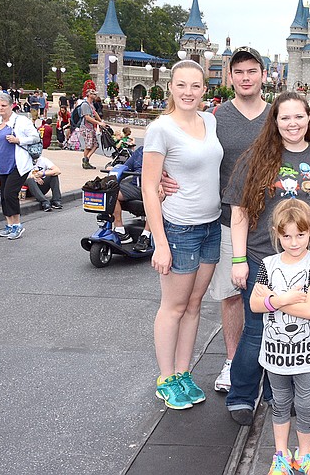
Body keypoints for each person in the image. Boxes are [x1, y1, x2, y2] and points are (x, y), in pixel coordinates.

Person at [162, 47, 271, 396]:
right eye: (238, 72)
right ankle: (233, 360)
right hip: (226, 220)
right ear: (229, 77)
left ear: (263, 75)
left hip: (272, 223)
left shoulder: (276, 115)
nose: (245, 78)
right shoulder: (215, 117)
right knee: (232, 295)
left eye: (251, 71)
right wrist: (165, 175)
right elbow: (181, 148)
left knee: (276, 295)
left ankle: (274, 362)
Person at [223, 91, 310, 426]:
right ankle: (242, 394)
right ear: (275, 121)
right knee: (258, 330)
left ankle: (277, 394)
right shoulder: (257, 156)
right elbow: (239, 210)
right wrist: (239, 259)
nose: (292, 123)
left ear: (309, 119)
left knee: (297, 329)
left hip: (306, 264)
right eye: (284, 117)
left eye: (299, 116)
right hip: (264, 259)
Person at [141, 59, 224, 411]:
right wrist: (160, 242)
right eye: (182, 85)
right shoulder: (162, 128)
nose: (188, 92)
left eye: (195, 86)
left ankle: (182, 372)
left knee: (194, 305)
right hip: (180, 228)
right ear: (171, 88)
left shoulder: (210, 120)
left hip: (211, 225)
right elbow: (148, 185)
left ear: (205, 89)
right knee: (173, 306)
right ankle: (165, 378)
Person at [248, 199, 310, 475]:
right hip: (274, 354)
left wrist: (274, 299)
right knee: (280, 404)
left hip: (305, 354)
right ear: (276, 233)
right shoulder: (268, 264)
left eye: (300, 235)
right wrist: (284, 297)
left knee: (305, 405)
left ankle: (304, 454)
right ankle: (280, 455)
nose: (294, 242)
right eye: (287, 236)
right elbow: (254, 305)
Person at [0, 92, 40, 239]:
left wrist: (18, 140)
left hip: (18, 164)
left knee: (10, 194)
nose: (1, 108)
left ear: (11, 106)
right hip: (2, 165)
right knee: (4, 196)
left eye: (4, 105)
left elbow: (35, 137)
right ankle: (9, 225)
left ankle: (17, 225)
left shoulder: (21, 121)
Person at [110, 146, 152, 251]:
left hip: (154, 187)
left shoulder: (165, 151)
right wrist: (114, 171)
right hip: (136, 187)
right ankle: (120, 231)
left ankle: (146, 235)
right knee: (110, 191)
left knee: (157, 196)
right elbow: (126, 167)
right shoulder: (140, 151)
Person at [77, 90, 108, 169]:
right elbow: (87, 117)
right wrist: (98, 123)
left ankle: (86, 159)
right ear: (88, 95)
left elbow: (94, 113)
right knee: (89, 146)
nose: (95, 95)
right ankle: (85, 162)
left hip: (90, 127)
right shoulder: (85, 104)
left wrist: (101, 122)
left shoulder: (91, 104)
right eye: (93, 94)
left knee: (95, 144)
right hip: (86, 127)